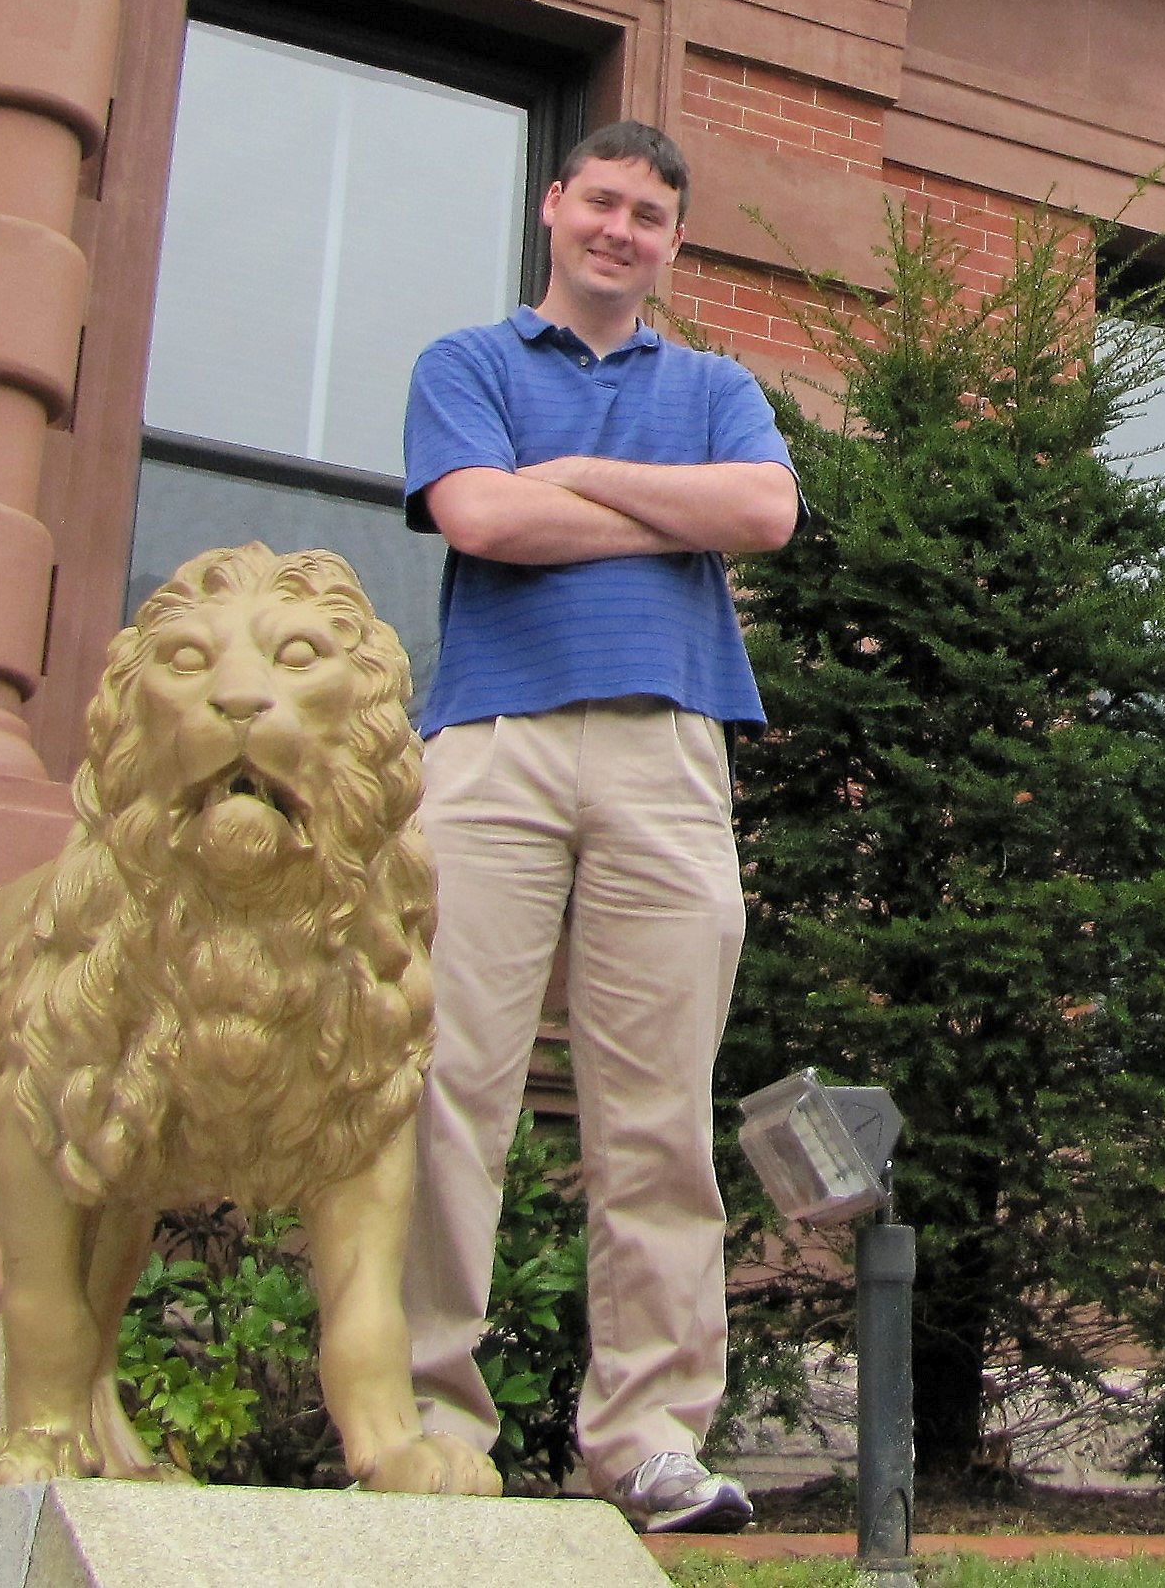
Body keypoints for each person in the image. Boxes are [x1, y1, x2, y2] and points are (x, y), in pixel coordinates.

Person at [400, 119, 800, 1532]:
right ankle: (422, 1426)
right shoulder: (465, 365)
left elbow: (763, 510)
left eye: (651, 217)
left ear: (673, 244)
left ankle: (647, 1443)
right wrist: (666, 515)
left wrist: (567, 475)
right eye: (605, 204)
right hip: (489, 746)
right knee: (447, 1085)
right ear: (555, 205)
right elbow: (480, 522)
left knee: (658, 1112)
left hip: (667, 746)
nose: (622, 231)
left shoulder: (715, 385)